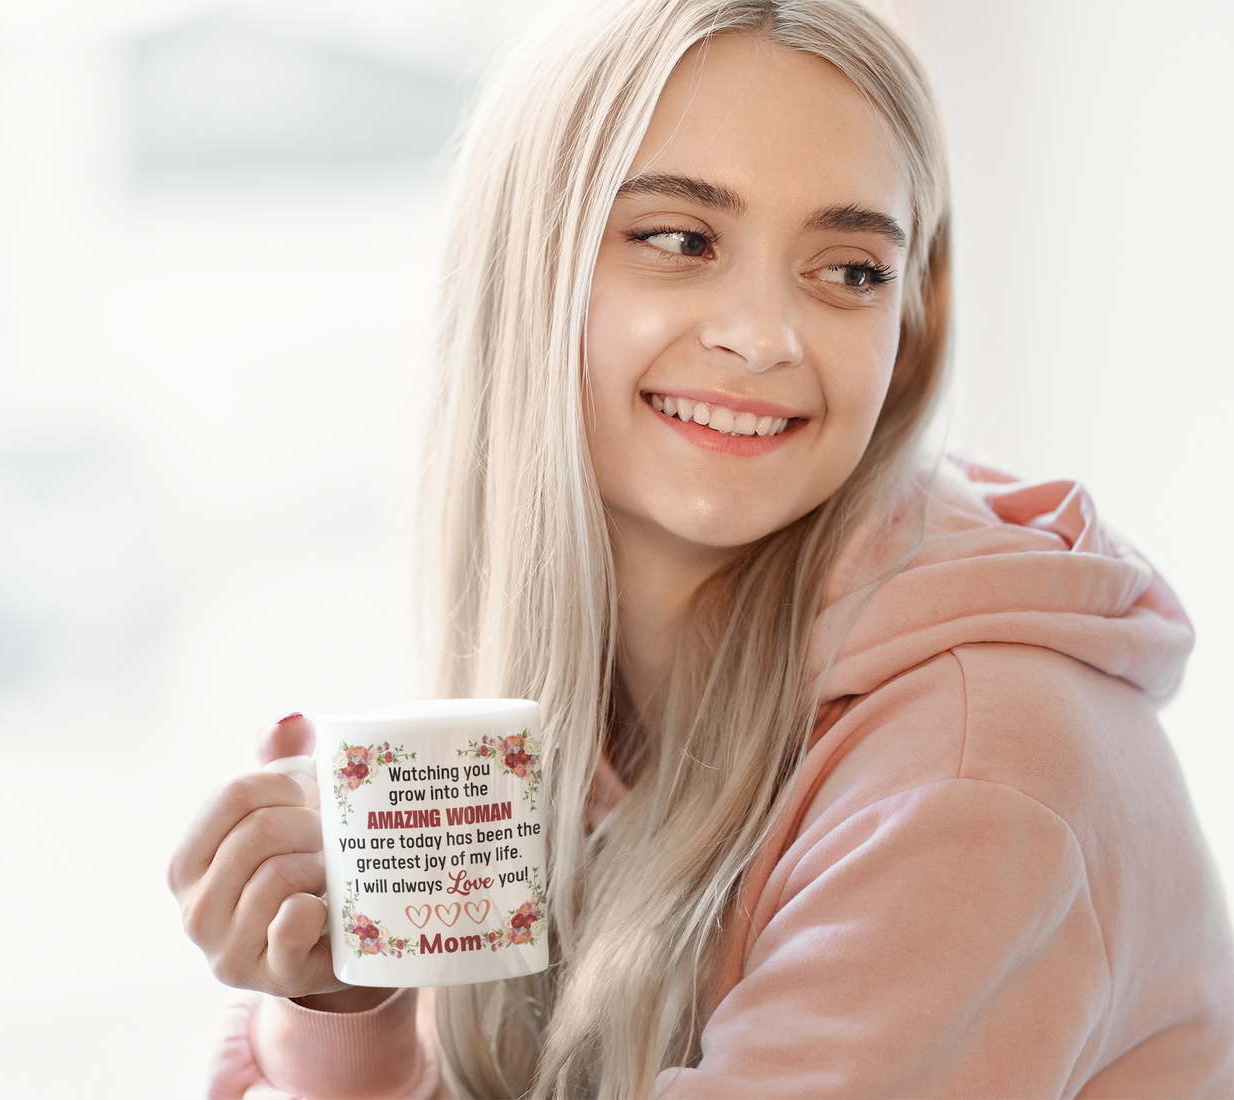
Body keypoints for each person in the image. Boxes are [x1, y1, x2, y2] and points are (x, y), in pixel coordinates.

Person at [167, 0, 1234, 1095]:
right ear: (526, 272)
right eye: (680, 240)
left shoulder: (979, 767)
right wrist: (348, 1007)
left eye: (851, 268)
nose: (764, 334)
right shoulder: (588, 720)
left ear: (903, 332)